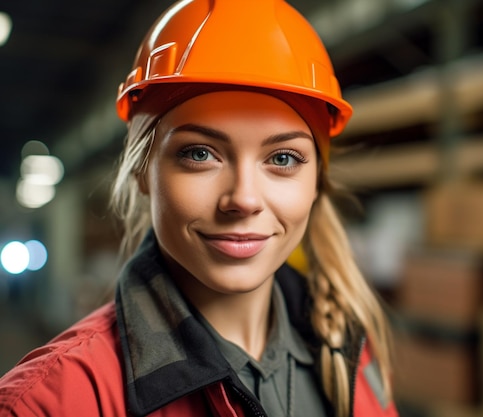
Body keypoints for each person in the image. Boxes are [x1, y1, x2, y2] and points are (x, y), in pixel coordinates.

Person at [0, 1, 399, 416]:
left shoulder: (352, 357)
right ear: (141, 170)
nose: (243, 199)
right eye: (200, 153)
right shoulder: (48, 402)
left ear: (317, 181)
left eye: (282, 159)